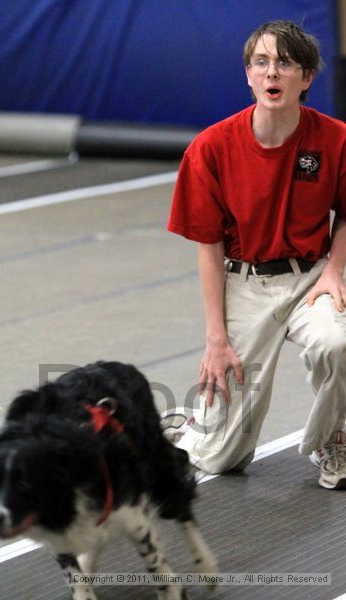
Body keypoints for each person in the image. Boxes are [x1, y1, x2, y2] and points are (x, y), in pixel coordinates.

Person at [167, 20, 346, 489]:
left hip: (311, 278)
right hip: (245, 284)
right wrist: (215, 338)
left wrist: (334, 272)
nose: (273, 73)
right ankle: (186, 424)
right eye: (262, 62)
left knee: (337, 342)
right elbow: (209, 247)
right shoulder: (210, 149)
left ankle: (334, 438)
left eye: (285, 63)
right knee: (221, 458)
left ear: (306, 78)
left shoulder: (335, 140)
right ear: (248, 75)